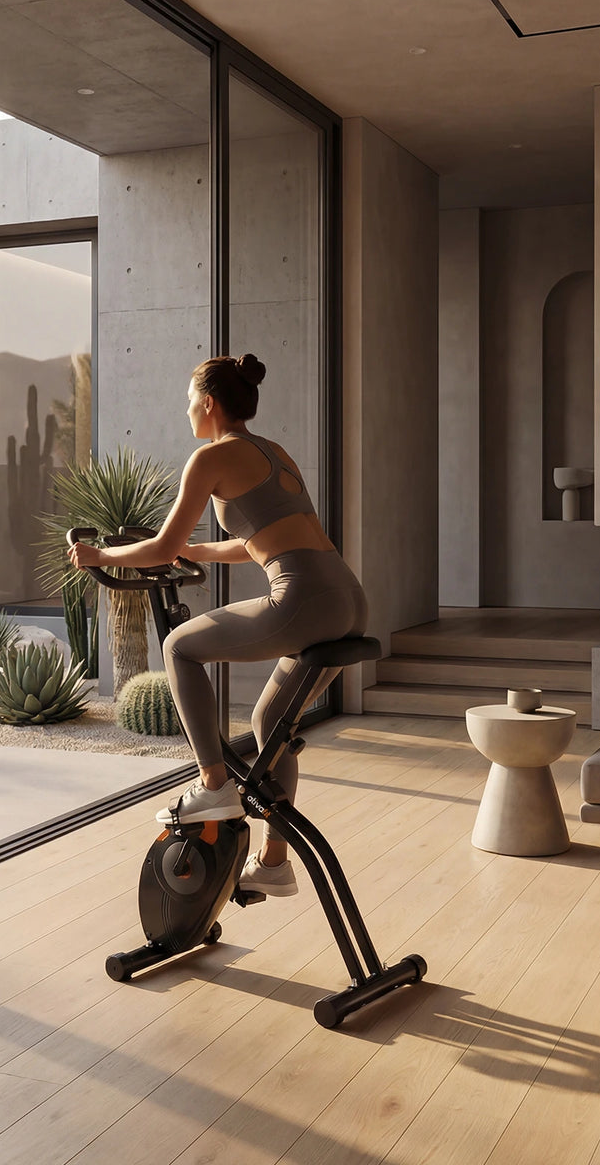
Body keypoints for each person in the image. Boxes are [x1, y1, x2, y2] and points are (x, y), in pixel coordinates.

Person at [68, 353, 367, 897]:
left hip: (302, 596)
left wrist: (101, 558)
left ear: (208, 403)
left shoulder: (210, 458)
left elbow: (159, 545)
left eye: (189, 402)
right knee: (272, 726)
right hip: (346, 596)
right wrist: (195, 549)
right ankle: (274, 862)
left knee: (179, 646)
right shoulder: (272, 452)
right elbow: (260, 538)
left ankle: (213, 783)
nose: (186, 412)